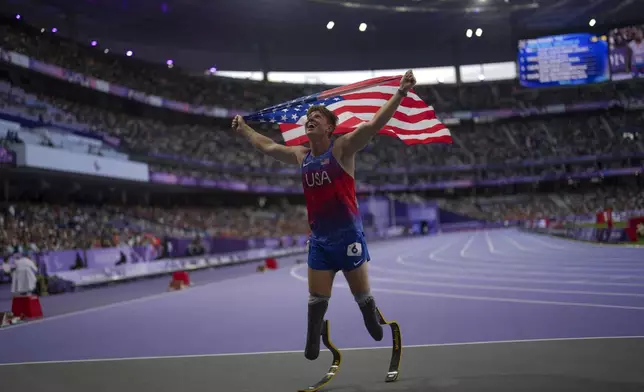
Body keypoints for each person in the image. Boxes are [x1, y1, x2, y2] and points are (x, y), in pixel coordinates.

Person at [231, 70, 417, 360]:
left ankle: (369, 314)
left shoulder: (343, 149)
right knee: (317, 298)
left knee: (362, 297)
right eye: (309, 117)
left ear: (331, 127)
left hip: (348, 237)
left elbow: (373, 125)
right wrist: (244, 130)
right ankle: (312, 339)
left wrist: (400, 93)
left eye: (317, 117)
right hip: (320, 240)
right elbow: (267, 145)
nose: (310, 119)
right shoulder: (301, 155)